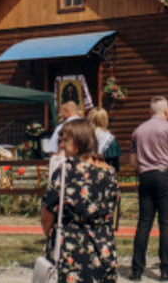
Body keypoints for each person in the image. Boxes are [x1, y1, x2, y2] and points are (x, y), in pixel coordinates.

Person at [40, 118, 119, 283]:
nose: (61, 145)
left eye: (65, 140)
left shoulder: (66, 171)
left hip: (72, 248)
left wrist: (50, 235)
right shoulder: (110, 173)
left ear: (79, 141)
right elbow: (114, 210)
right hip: (103, 246)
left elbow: (47, 214)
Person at [130, 96, 168, 282]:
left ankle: (136, 269)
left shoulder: (138, 131)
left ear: (151, 111)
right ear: (166, 111)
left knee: (144, 223)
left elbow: (133, 162)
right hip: (165, 176)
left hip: (145, 176)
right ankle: (166, 269)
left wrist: (144, 167)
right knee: (166, 223)